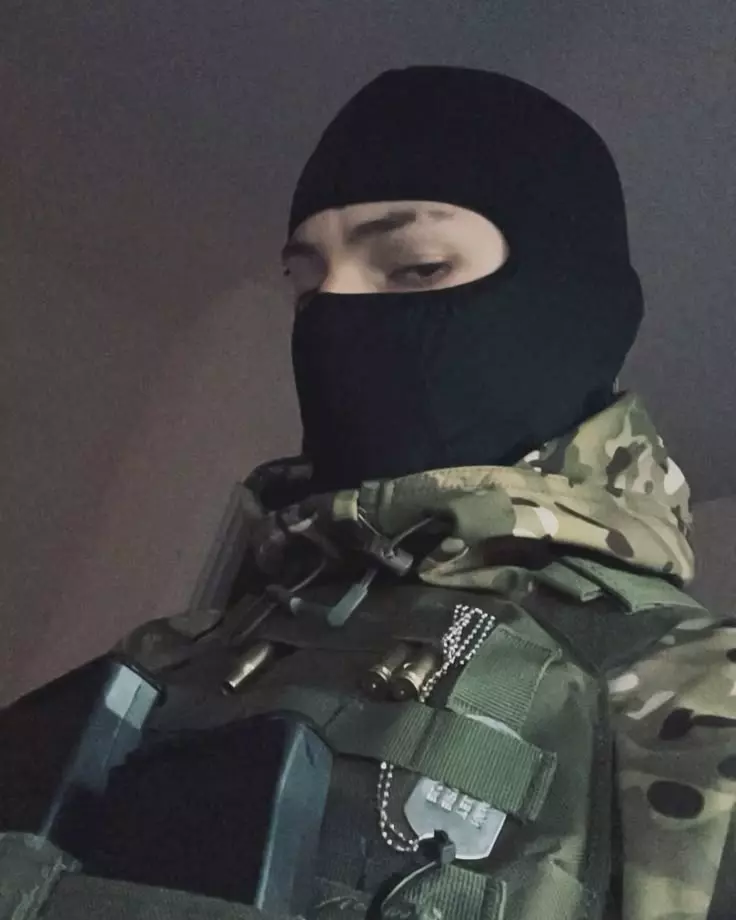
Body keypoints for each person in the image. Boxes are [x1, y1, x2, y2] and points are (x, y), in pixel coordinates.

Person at [3, 67, 733, 920]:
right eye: (306, 282)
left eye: (415, 268)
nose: (332, 314)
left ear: (570, 307)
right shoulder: (165, 656)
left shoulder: (699, 693)